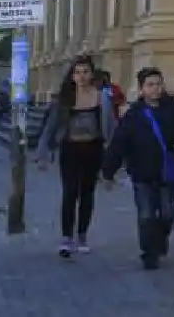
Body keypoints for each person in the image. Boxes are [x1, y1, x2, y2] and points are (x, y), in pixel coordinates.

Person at [101, 67, 174, 270]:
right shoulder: (133, 115)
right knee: (146, 215)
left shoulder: (173, 109)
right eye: (150, 85)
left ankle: (160, 240)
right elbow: (118, 144)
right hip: (142, 174)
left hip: (166, 172)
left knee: (168, 212)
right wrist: (108, 172)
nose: (155, 89)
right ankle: (149, 252)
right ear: (141, 89)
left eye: (158, 84)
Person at [36, 55, 118, 257]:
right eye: (77, 72)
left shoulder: (101, 97)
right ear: (72, 76)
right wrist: (42, 152)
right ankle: (66, 238)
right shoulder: (64, 98)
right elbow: (50, 126)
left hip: (94, 148)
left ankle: (82, 236)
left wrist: (114, 157)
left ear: (92, 74)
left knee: (87, 193)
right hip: (70, 149)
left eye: (85, 72)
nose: (81, 76)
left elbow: (112, 125)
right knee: (70, 192)